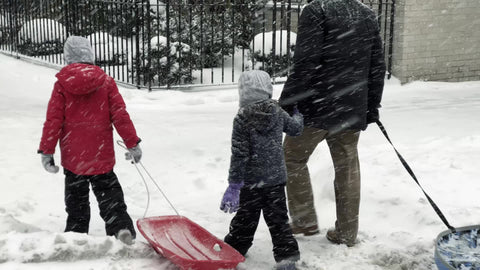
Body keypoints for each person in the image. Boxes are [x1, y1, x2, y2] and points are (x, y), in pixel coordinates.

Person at [279, 0, 386, 247]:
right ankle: (347, 232)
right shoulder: (367, 14)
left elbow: (306, 61)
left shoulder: (317, 10)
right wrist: (371, 105)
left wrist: (287, 102)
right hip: (351, 107)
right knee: (347, 167)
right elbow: (377, 66)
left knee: (292, 158)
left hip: (318, 106)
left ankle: (304, 220)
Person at [38, 36, 142, 245]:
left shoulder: (62, 85)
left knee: (76, 202)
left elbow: (53, 121)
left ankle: (77, 234)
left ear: (67, 57)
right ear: (90, 54)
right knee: (110, 197)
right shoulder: (105, 82)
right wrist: (132, 143)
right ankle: (120, 227)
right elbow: (120, 115)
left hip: (74, 157)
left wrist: (47, 151)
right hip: (100, 154)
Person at [220, 70, 304, 270]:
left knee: (246, 218)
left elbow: (239, 155)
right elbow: (295, 129)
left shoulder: (241, 118)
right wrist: (298, 116)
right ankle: (287, 258)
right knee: (278, 221)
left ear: (243, 92)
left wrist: (234, 185)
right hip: (275, 180)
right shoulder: (276, 111)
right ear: (267, 89)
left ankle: (235, 248)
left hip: (251, 182)